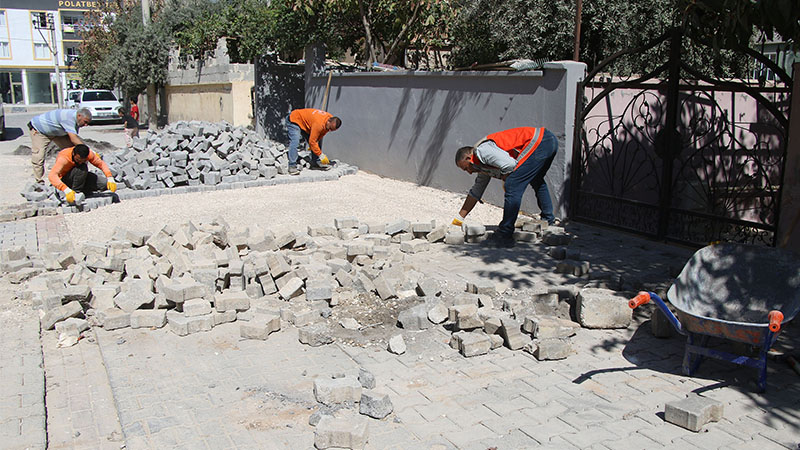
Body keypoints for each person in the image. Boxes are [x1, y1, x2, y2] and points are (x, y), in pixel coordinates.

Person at [453, 126, 558, 248]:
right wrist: (458, 220)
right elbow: (476, 191)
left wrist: (506, 180)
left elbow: (510, 165)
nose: (469, 172)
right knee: (536, 180)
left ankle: (505, 234)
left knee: (512, 183)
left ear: (468, 158)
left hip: (539, 141)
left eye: (466, 168)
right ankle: (548, 220)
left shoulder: (482, 152)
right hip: (549, 141)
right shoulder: (481, 166)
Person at [28, 108, 92, 183]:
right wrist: (88, 151)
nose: (86, 125)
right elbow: (74, 139)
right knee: (39, 156)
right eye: (85, 122)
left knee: (75, 152)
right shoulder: (68, 118)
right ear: (79, 116)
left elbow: (75, 142)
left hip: (58, 132)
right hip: (40, 131)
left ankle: (73, 176)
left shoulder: (77, 120)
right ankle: (39, 182)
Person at [48, 144, 117, 205]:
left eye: (83, 160)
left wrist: (110, 178)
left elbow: (101, 164)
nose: (80, 162)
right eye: (78, 160)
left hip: (80, 177)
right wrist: (66, 190)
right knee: (82, 167)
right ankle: (76, 193)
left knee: (104, 183)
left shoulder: (89, 154)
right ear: (73, 154)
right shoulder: (63, 158)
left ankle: (84, 190)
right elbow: (52, 176)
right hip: (66, 179)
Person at [285, 108, 342, 175]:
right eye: (329, 128)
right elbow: (312, 141)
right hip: (294, 119)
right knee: (295, 141)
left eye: (332, 130)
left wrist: (315, 147)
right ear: (328, 121)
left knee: (316, 142)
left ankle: (315, 163)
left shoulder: (329, 121)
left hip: (305, 124)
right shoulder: (319, 123)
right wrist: (320, 154)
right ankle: (292, 166)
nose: (329, 130)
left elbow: (320, 135)